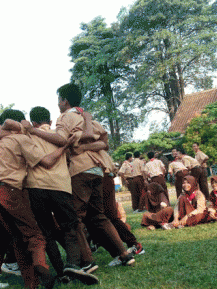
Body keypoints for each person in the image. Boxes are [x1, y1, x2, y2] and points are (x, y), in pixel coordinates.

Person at [23, 83, 136, 268]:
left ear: (64, 101)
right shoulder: (87, 118)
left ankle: (87, 261)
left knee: (73, 218)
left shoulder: (65, 117)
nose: (58, 103)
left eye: (59, 99)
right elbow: (104, 143)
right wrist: (87, 145)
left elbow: (60, 139)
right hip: (97, 170)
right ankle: (123, 254)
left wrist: (33, 131)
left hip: (79, 170)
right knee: (97, 216)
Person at [0, 109, 73, 289]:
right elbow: (46, 162)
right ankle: (42, 268)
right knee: (34, 234)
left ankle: (31, 282)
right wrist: (64, 147)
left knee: (16, 236)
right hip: (10, 189)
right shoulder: (19, 139)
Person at [20, 106, 98, 285]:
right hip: (60, 186)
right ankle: (73, 264)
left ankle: (60, 269)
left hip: (36, 188)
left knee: (46, 232)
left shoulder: (26, 137)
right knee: (70, 226)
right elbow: (71, 155)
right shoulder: (60, 136)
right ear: (49, 121)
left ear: (33, 122)